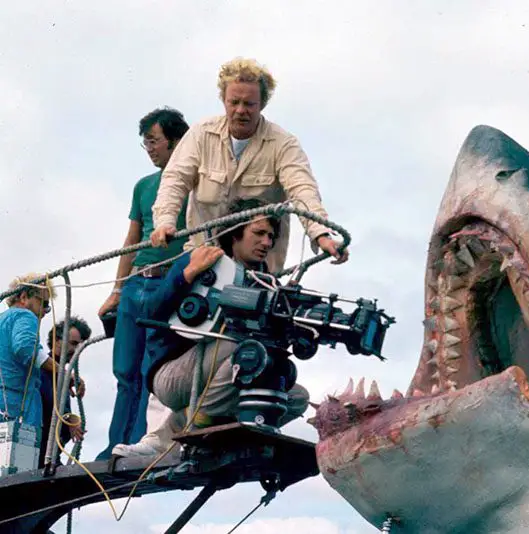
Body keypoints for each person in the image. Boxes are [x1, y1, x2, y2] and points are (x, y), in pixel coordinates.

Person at [112, 198, 309, 457]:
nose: (267, 243)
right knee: (241, 344)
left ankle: (220, 430)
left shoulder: (267, 282)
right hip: (173, 376)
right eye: (259, 233)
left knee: (294, 396)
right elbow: (149, 312)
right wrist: (186, 275)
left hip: (225, 374)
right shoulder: (201, 258)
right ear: (234, 232)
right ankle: (186, 426)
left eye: (271, 236)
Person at [150, 57, 349, 275]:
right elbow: (175, 180)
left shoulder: (284, 144)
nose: (240, 110)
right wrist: (164, 221)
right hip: (202, 261)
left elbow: (303, 191)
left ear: (262, 104)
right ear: (223, 100)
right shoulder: (200, 134)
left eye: (249, 104)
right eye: (233, 102)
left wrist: (321, 235)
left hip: (258, 272)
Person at [95, 107, 191, 460]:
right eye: (145, 143)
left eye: (153, 141)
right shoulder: (143, 186)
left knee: (153, 368)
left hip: (169, 284)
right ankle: (112, 446)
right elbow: (132, 239)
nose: (149, 148)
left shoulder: (195, 183)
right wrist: (117, 289)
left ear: (176, 141)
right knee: (125, 368)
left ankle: (139, 442)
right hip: (137, 283)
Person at [0, 275, 60, 433]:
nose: (46, 311)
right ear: (24, 297)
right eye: (44, 303)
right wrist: (61, 371)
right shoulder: (25, 315)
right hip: (17, 405)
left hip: (4, 402)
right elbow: (25, 347)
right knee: (21, 456)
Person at [39, 317, 91, 467]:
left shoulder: (62, 376)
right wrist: (69, 419)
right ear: (56, 340)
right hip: (38, 457)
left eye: (80, 346)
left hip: (49, 457)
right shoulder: (43, 370)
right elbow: (47, 404)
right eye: (73, 344)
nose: (76, 350)